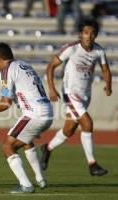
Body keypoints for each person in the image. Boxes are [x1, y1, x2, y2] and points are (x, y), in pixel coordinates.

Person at [0, 42, 53, 193]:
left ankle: (26, 185)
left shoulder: (6, 71)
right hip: (48, 111)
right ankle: (41, 179)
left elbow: (6, 103)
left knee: (7, 146)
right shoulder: (25, 65)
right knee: (26, 141)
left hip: (34, 114)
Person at [41, 19, 112, 176]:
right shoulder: (71, 49)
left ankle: (47, 148)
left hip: (85, 95)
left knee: (69, 129)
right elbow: (51, 66)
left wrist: (108, 85)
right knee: (87, 123)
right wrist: (51, 89)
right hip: (70, 93)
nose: (89, 36)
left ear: (96, 35)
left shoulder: (98, 51)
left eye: (92, 33)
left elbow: (106, 69)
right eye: (86, 32)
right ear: (80, 34)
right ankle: (92, 164)